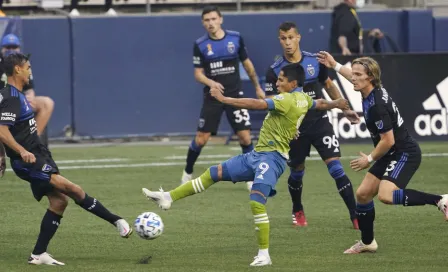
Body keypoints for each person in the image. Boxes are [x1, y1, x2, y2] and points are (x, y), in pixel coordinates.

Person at [142, 63, 350, 266]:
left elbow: (255, 103)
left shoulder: (285, 100)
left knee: (256, 202)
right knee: (213, 173)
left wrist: (224, 99)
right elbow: (318, 104)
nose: (276, 82)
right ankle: (168, 197)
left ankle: (264, 255)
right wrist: (336, 103)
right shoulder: (304, 98)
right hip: (256, 155)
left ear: (293, 82)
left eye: (281, 79)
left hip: (272, 159)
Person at [0, 53, 132, 266]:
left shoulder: (15, 94)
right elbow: (2, 130)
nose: (30, 70)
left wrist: (3, 155)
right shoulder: (12, 97)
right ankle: (116, 220)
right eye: (28, 67)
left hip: (39, 155)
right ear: (17, 69)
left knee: (59, 201)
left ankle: (39, 254)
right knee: (73, 189)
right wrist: (20, 151)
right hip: (29, 161)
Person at [317, 51, 448, 254]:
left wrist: (368, 159)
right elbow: (350, 73)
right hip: (391, 152)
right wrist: (334, 65)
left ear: (370, 77)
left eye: (358, 74)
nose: (354, 77)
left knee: (386, 195)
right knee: (362, 195)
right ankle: (368, 242)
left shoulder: (377, 105)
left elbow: (388, 141)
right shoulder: (371, 90)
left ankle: (440, 200)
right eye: (354, 73)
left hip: (404, 152)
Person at [265, 21, 360, 228]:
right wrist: (286, 127)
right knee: (297, 171)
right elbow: (272, 103)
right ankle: (297, 208)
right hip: (295, 129)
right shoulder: (274, 71)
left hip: (319, 121)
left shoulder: (314, 61)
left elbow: (328, 85)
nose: (288, 42)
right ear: (279, 40)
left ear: (298, 37)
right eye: (284, 38)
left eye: (291, 37)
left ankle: (355, 215)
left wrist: (345, 109)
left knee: (336, 168)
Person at [183, 5, 265, 191]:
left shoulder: (235, 39)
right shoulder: (201, 45)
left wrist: (257, 87)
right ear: (203, 23)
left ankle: (251, 177)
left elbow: (248, 65)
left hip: (235, 96)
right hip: (213, 97)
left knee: (245, 138)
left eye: (214, 19)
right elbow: (198, 74)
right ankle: (187, 172)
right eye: (207, 20)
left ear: (221, 19)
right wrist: (211, 83)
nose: (211, 23)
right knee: (201, 139)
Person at [0, 34, 54, 147]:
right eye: (8, 47)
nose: (11, 50)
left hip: (18, 102)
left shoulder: (23, 65)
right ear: (2, 48)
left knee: (46, 103)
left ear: (19, 48)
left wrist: (26, 98)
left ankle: (32, 142)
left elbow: (30, 91)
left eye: (14, 47)